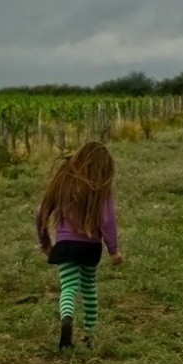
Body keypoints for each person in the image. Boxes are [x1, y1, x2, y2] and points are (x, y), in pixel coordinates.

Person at [35, 141, 122, 350]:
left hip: (65, 245)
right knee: (89, 288)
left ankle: (66, 318)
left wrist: (44, 241)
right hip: (90, 248)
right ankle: (91, 335)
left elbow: (41, 212)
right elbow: (107, 220)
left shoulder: (64, 181)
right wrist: (114, 250)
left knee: (68, 287)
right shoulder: (101, 186)